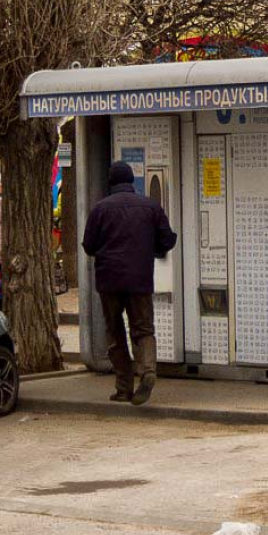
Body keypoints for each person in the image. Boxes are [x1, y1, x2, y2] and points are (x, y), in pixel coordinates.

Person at [82, 161, 177, 405]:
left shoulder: (100, 209)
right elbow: (168, 240)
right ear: (131, 180)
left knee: (115, 332)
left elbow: (89, 245)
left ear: (111, 182)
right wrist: (149, 249)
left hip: (109, 281)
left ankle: (123, 388)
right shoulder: (150, 207)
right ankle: (148, 372)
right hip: (140, 279)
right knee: (143, 328)